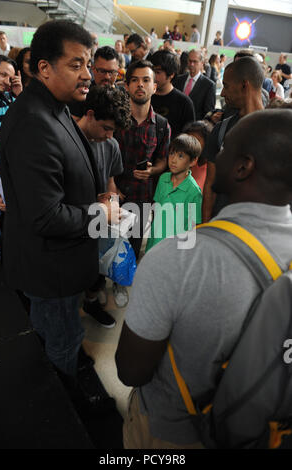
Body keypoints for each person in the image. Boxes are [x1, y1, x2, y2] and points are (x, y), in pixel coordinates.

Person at [115, 108, 292, 449]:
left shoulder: (174, 259)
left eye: (223, 150)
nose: (213, 156)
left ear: (244, 167)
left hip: (171, 432)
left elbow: (130, 371)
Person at [0, 20, 119, 378]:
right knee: (60, 340)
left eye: (88, 63)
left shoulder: (55, 105)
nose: (87, 75)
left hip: (61, 263)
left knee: (64, 332)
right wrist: (100, 211)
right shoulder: (34, 123)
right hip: (49, 270)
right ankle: (65, 393)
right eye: (76, 64)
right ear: (44, 68)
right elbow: (46, 216)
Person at [77, 85, 131, 323]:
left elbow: (110, 181)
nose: (110, 135)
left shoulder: (111, 146)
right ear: (90, 114)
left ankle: (90, 303)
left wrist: (112, 202)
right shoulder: (67, 140)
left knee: (95, 275)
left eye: (114, 130)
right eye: (106, 128)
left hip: (98, 226)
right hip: (70, 224)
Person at [114, 60, 170, 261]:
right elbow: (102, 158)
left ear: (154, 87)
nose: (140, 85)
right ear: (126, 85)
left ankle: (122, 286)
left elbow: (163, 160)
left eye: (146, 80)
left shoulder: (162, 126)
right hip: (114, 194)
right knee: (105, 244)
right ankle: (97, 288)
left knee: (133, 247)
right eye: (135, 80)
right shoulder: (114, 120)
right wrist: (110, 186)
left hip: (142, 197)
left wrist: (152, 171)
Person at [201, 57, 264, 222]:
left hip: (257, 232)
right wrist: (206, 228)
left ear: (244, 85)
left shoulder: (278, 131)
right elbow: (210, 185)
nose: (222, 93)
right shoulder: (220, 130)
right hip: (221, 224)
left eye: (226, 86)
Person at [145, 133, 202, 253]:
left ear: (193, 161)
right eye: (171, 154)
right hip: (154, 243)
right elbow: (156, 209)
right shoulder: (163, 179)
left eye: (181, 156)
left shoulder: (194, 192)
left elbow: (192, 228)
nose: (173, 160)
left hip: (175, 250)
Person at [150, 50, 196, 139]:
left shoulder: (184, 103)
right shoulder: (145, 96)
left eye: (158, 72)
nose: (153, 76)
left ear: (171, 74)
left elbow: (188, 139)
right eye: (151, 71)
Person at [68, 46, 120, 120]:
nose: (107, 77)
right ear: (93, 69)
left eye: (112, 72)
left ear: (117, 71)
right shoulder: (81, 95)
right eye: (102, 71)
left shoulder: (124, 95)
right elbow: (72, 127)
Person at [0, 55, 23, 182]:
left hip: (10, 174)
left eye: (10, 78)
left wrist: (21, 95)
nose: (6, 81)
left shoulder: (12, 100)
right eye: (2, 74)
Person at [173, 50, 216, 120]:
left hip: (193, 127)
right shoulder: (178, 80)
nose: (191, 64)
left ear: (202, 63)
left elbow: (208, 113)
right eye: (190, 61)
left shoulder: (209, 85)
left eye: (195, 62)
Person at [182, 120, 210, 192]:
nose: (190, 145)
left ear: (206, 142)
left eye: (196, 140)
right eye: (187, 140)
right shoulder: (182, 164)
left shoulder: (211, 169)